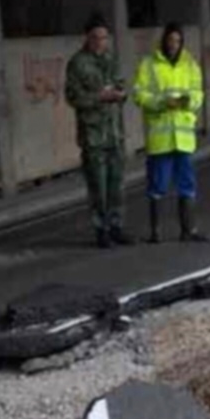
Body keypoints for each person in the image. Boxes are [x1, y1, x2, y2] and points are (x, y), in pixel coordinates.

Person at [133, 22, 208, 244]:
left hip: (183, 137)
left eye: (177, 41)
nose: (174, 44)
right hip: (161, 137)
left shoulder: (190, 65)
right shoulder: (149, 64)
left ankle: (188, 230)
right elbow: (139, 94)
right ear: (164, 40)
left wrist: (188, 101)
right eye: (170, 40)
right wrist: (161, 102)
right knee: (158, 185)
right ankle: (155, 232)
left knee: (187, 184)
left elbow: (198, 94)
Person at [65, 13, 132, 248]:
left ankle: (116, 226)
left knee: (117, 185)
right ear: (88, 37)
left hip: (114, 133)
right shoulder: (78, 63)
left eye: (104, 37)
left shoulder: (111, 59)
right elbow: (73, 97)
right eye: (96, 37)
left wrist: (120, 94)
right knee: (98, 187)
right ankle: (101, 230)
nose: (100, 42)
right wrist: (100, 97)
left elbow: (122, 86)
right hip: (93, 136)